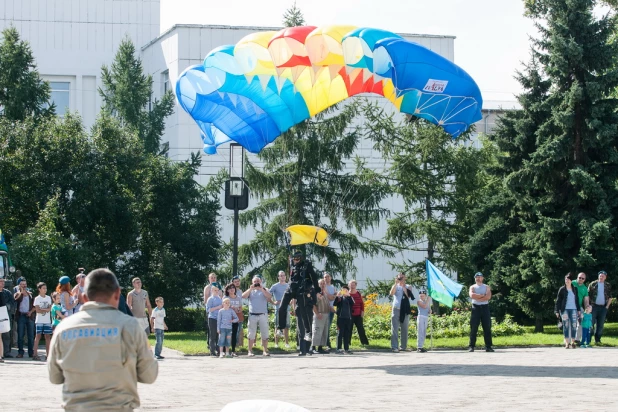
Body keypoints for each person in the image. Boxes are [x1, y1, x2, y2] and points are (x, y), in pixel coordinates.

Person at [47, 268, 158, 411]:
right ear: (118, 294)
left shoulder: (64, 328)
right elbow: (149, 375)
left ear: (84, 297)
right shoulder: (131, 327)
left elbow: (54, 377)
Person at [277, 251, 320, 343]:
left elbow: (314, 277)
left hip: (301, 289)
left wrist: (317, 289)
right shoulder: (292, 263)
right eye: (294, 259)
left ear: (301, 258)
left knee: (303, 311)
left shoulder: (306, 265)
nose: (295, 260)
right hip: (291, 288)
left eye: (297, 259)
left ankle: (308, 332)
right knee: (281, 308)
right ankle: (280, 328)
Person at [242, 275, 272, 357]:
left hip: (263, 315)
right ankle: (250, 351)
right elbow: (243, 296)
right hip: (252, 315)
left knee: (265, 333)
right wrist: (250, 288)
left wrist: (262, 289)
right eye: (255, 282)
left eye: (258, 281)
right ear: (252, 282)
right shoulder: (251, 291)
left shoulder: (265, 289)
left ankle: (265, 350)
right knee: (251, 333)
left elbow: (269, 296)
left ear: (261, 281)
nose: (256, 283)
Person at [468, 272, 494, 352]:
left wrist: (478, 296)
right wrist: (483, 296)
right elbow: (472, 295)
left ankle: (488, 346)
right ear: (475, 278)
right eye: (477, 277)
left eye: (480, 277)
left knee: (487, 327)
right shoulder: (472, 287)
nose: (479, 278)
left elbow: (488, 297)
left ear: (483, 278)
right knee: (474, 327)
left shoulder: (486, 287)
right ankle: (471, 346)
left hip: (485, 308)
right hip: (475, 308)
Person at [389, 273, 415, 353]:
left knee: (404, 328)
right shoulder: (395, 286)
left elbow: (409, 297)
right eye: (399, 277)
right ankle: (394, 346)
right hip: (396, 308)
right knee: (395, 328)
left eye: (402, 277)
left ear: (405, 278)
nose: (401, 279)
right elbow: (391, 293)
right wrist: (395, 283)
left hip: (405, 309)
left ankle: (403, 346)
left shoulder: (408, 286)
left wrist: (404, 289)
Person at [555, 273, 581, 349]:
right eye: (566, 279)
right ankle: (567, 343)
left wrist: (578, 309)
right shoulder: (562, 289)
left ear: (571, 280)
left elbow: (577, 300)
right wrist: (557, 311)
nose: (567, 281)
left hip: (574, 309)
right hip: (564, 309)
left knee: (574, 325)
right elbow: (558, 301)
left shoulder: (575, 289)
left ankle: (573, 342)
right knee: (566, 326)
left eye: (568, 279)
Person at [588, 270, 613, 345]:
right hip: (593, 307)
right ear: (598, 276)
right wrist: (589, 305)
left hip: (603, 308)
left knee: (600, 325)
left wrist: (607, 307)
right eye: (600, 276)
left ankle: (598, 340)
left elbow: (610, 297)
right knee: (590, 323)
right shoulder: (593, 284)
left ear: (605, 277)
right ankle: (588, 339)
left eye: (603, 276)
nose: (601, 277)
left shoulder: (608, 285)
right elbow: (587, 295)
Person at [14, 277, 35, 358]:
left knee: (30, 336)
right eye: (22, 285)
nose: (24, 286)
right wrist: (21, 293)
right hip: (21, 316)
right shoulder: (17, 294)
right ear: (19, 285)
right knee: (20, 335)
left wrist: (31, 312)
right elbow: (17, 300)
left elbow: (34, 305)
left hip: (29, 316)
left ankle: (31, 352)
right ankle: (20, 352)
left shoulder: (30, 294)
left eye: (25, 284)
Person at [32, 282, 53, 361]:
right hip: (39, 320)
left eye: (46, 288)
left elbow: (49, 308)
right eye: (43, 288)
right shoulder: (37, 298)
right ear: (39, 289)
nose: (45, 290)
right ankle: (35, 354)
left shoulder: (48, 298)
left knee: (48, 337)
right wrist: (45, 310)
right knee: (38, 336)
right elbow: (37, 310)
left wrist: (43, 310)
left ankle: (48, 355)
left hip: (47, 320)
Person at [270, 270, 290, 348]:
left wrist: (291, 301)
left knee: (286, 326)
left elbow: (292, 296)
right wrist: (273, 302)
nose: (282, 277)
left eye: (283, 275)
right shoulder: (275, 286)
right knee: (277, 326)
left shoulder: (288, 285)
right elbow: (268, 294)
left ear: (285, 276)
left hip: (287, 308)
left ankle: (286, 343)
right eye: (281, 275)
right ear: (278, 277)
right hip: (278, 308)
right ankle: (276, 343)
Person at [311, 279, 331, 354]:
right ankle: (313, 348)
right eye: (321, 284)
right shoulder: (316, 293)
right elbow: (313, 305)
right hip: (319, 314)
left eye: (323, 283)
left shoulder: (324, 293)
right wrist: (317, 313)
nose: (322, 285)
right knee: (317, 331)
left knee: (324, 332)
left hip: (326, 314)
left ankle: (320, 348)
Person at [333, 285, 354, 354]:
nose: (344, 292)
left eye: (346, 290)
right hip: (341, 318)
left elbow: (353, 303)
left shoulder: (350, 298)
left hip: (348, 318)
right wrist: (337, 296)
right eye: (343, 290)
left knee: (347, 333)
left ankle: (346, 348)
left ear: (348, 291)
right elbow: (335, 304)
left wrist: (349, 296)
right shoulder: (340, 298)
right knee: (340, 333)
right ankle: (338, 348)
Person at [349, 280, 369, 346]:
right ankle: (347, 343)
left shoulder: (358, 293)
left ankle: (364, 342)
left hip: (358, 314)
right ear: (349, 285)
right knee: (349, 329)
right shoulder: (347, 293)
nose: (352, 286)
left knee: (361, 328)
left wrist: (362, 311)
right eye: (351, 285)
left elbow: (362, 303)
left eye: (353, 285)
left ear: (356, 285)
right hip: (350, 314)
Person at [571, 272, 589, 344]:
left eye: (582, 278)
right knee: (570, 323)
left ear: (584, 280)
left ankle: (577, 339)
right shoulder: (572, 283)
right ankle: (568, 340)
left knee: (581, 322)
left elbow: (586, 299)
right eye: (579, 278)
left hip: (579, 307)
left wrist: (586, 308)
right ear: (577, 277)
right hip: (570, 306)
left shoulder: (584, 288)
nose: (581, 279)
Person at [206, 283, 223, 357]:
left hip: (219, 318)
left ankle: (218, 350)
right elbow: (208, 310)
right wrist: (217, 307)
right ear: (212, 290)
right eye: (215, 290)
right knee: (212, 335)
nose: (216, 291)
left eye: (217, 290)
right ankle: (212, 351)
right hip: (212, 318)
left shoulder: (220, 298)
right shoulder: (210, 299)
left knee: (217, 335)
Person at [225, 282, 243, 357]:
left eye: (233, 288)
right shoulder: (226, 298)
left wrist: (238, 310)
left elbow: (241, 308)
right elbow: (223, 307)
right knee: (227, 334)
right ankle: (225, 351)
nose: (232, 289)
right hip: (227, 319)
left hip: (236, 318)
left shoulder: (238, 297)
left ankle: (233, 350)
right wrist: (230, 307)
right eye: (230, 288)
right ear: (227, 290)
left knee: (234, 334)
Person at [0, 277, 16, 358]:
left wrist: (7, 307)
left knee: (6, 334)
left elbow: (13, 302)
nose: (2, 283)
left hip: (5, 315)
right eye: (1, 282)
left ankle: (6, 352)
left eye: (3, 282)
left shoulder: (7, 292)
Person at [323, 272, 336, 350]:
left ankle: (327, 343)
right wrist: (333, 296)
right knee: (325, 327)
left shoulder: (332, 286)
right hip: (326, 309)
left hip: (332, 309)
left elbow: (335, 296)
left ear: (330, 278)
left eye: (328, 277)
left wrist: (333, 296)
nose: (327, 278)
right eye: (325, 277)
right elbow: (330, 298)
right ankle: (327, 343)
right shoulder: (323, 287)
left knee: (328, 326)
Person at [232, 276, 244, 348]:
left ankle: (236, 343)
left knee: (238, 329)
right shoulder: (230, 290)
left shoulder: (240, 291)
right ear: (233, 282)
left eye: (238, 281)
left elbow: (240, 302)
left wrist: (240, 309)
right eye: (235, 281)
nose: (237, 283)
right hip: (231, 311)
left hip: (239, 311)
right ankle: (230, 343)